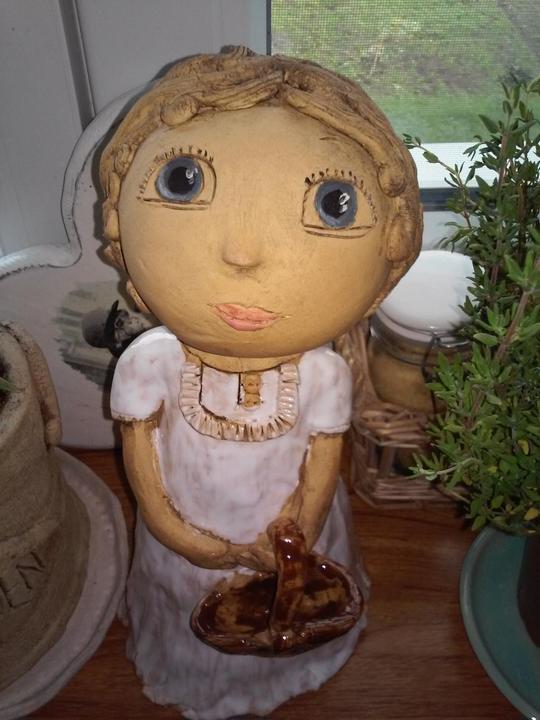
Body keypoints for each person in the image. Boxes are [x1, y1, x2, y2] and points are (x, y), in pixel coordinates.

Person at [101, 46, 421, 719]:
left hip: (292, 551)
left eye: (333, 204)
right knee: (185, 608)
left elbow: (319, 478)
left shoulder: (322, 374)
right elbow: (148, 485)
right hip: (185, 550)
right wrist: (200, 548)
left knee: (298, 615)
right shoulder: (151, 365)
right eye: (182, 181)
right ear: (117, 225)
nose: (242, 253)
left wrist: (291, 543)